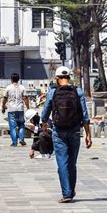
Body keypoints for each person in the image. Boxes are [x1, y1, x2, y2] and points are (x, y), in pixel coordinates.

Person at [40, 66, 92, 203]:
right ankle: (71, 190)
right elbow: (85, 115)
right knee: (72, 163)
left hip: (58, 131)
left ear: (57, 79)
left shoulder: (52, 92)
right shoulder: (78, 91)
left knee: (62, 162)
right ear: (69, 77)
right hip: (75, 130)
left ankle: (67, 193)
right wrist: (88, 135)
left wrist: (44, 123)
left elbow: (45, 111)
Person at [2, 73, 29, 146]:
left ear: (11, 79)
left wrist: (3, 107)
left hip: (11, 110)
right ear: (18, 79)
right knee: (21, 125)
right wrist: (28, 108)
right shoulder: (22, 87)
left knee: (13, 127)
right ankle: (21, 139)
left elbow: (5, 98)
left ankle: (14, 143)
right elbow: (25, 98)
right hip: (20, 109)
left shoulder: (8, 88)